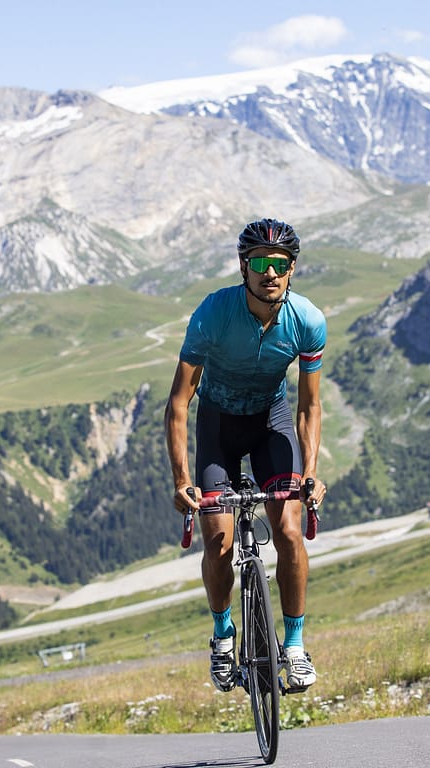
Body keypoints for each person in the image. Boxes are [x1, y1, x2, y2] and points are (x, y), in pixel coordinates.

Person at [164, 217, 328, 693]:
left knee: (289, 530)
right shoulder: (213, 314)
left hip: (270, 423)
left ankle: (294, 646)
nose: (269, 273)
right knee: (217, 542)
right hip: (218, 425)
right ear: (243, 266)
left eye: (279, 264)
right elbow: (178, 403)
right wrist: (181, 481)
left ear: (292, 269)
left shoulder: (308, 322)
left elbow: (308, 405)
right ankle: (222, 636)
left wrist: (311, 474)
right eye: (259, 262)